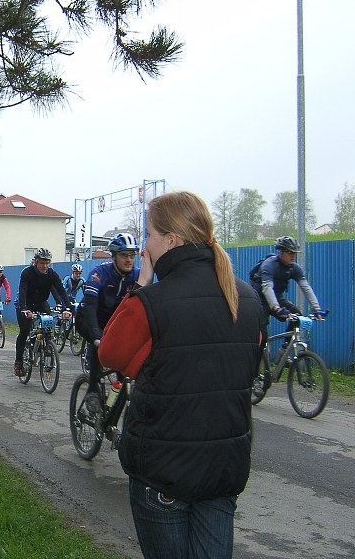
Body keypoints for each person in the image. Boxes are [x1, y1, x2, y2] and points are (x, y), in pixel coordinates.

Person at [98, 191, 262, 559]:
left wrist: (141, 281)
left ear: (170, 241)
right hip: (222, 470)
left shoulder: (151, 302)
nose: (144, 246)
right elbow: (248, 367)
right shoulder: (248, 299)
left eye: (149, 236)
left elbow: (111, 353)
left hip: (163, 471)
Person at [75, 233, 140, 412]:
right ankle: (92, 391)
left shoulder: (136, 276)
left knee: (123, 366)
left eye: (132, 255)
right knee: (100, 346)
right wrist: (96, 336)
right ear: (114, 256)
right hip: (88, 318)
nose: (129, 259)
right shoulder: (99, 273)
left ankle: (116, 402)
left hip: (114, 322)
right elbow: (89, 305)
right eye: (124, 255)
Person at [250, 235, 326, 346]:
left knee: (297, 317)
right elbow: (267, 288)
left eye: (294, 253)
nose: (293, 256)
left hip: (277, 298)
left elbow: (306, 287)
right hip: (260, 300)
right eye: (290, 253)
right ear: (281, 252)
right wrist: (276, 308)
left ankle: (284, 349)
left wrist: (316, 308)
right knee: (262, 335)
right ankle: (257, 360)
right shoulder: (269, 264)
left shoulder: (294, 268)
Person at [14, 248, 72, 377]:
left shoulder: (52, 274)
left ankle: (45, 345)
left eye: (47, 263)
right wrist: (24, 309)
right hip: (24, 303)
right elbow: (22, 290)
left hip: (41, 303)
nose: (45, 266)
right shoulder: (27, 273)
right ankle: (19, 362)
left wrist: (67, 308)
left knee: (47, 327)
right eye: (42, 263)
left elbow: (61, 291)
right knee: (24, 331)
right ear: (36, 262)